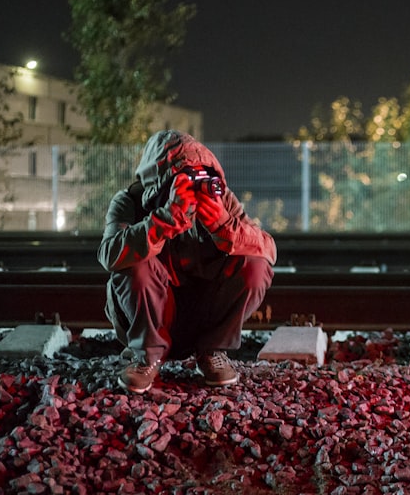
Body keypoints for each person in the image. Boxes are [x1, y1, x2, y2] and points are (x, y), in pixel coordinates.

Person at [98, 130, 277, 393]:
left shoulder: (222, 200)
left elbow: (269, 248)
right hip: (152, 315)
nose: (195, 187)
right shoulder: (129, 201)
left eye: (201, 177)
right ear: (161, 182)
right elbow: (109, 255)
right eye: (186, 178)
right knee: (133, 263)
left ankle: (212, 351)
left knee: (255, 265)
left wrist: (225, 229)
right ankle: (147, 357)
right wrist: (163, 221)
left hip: (203, 316)